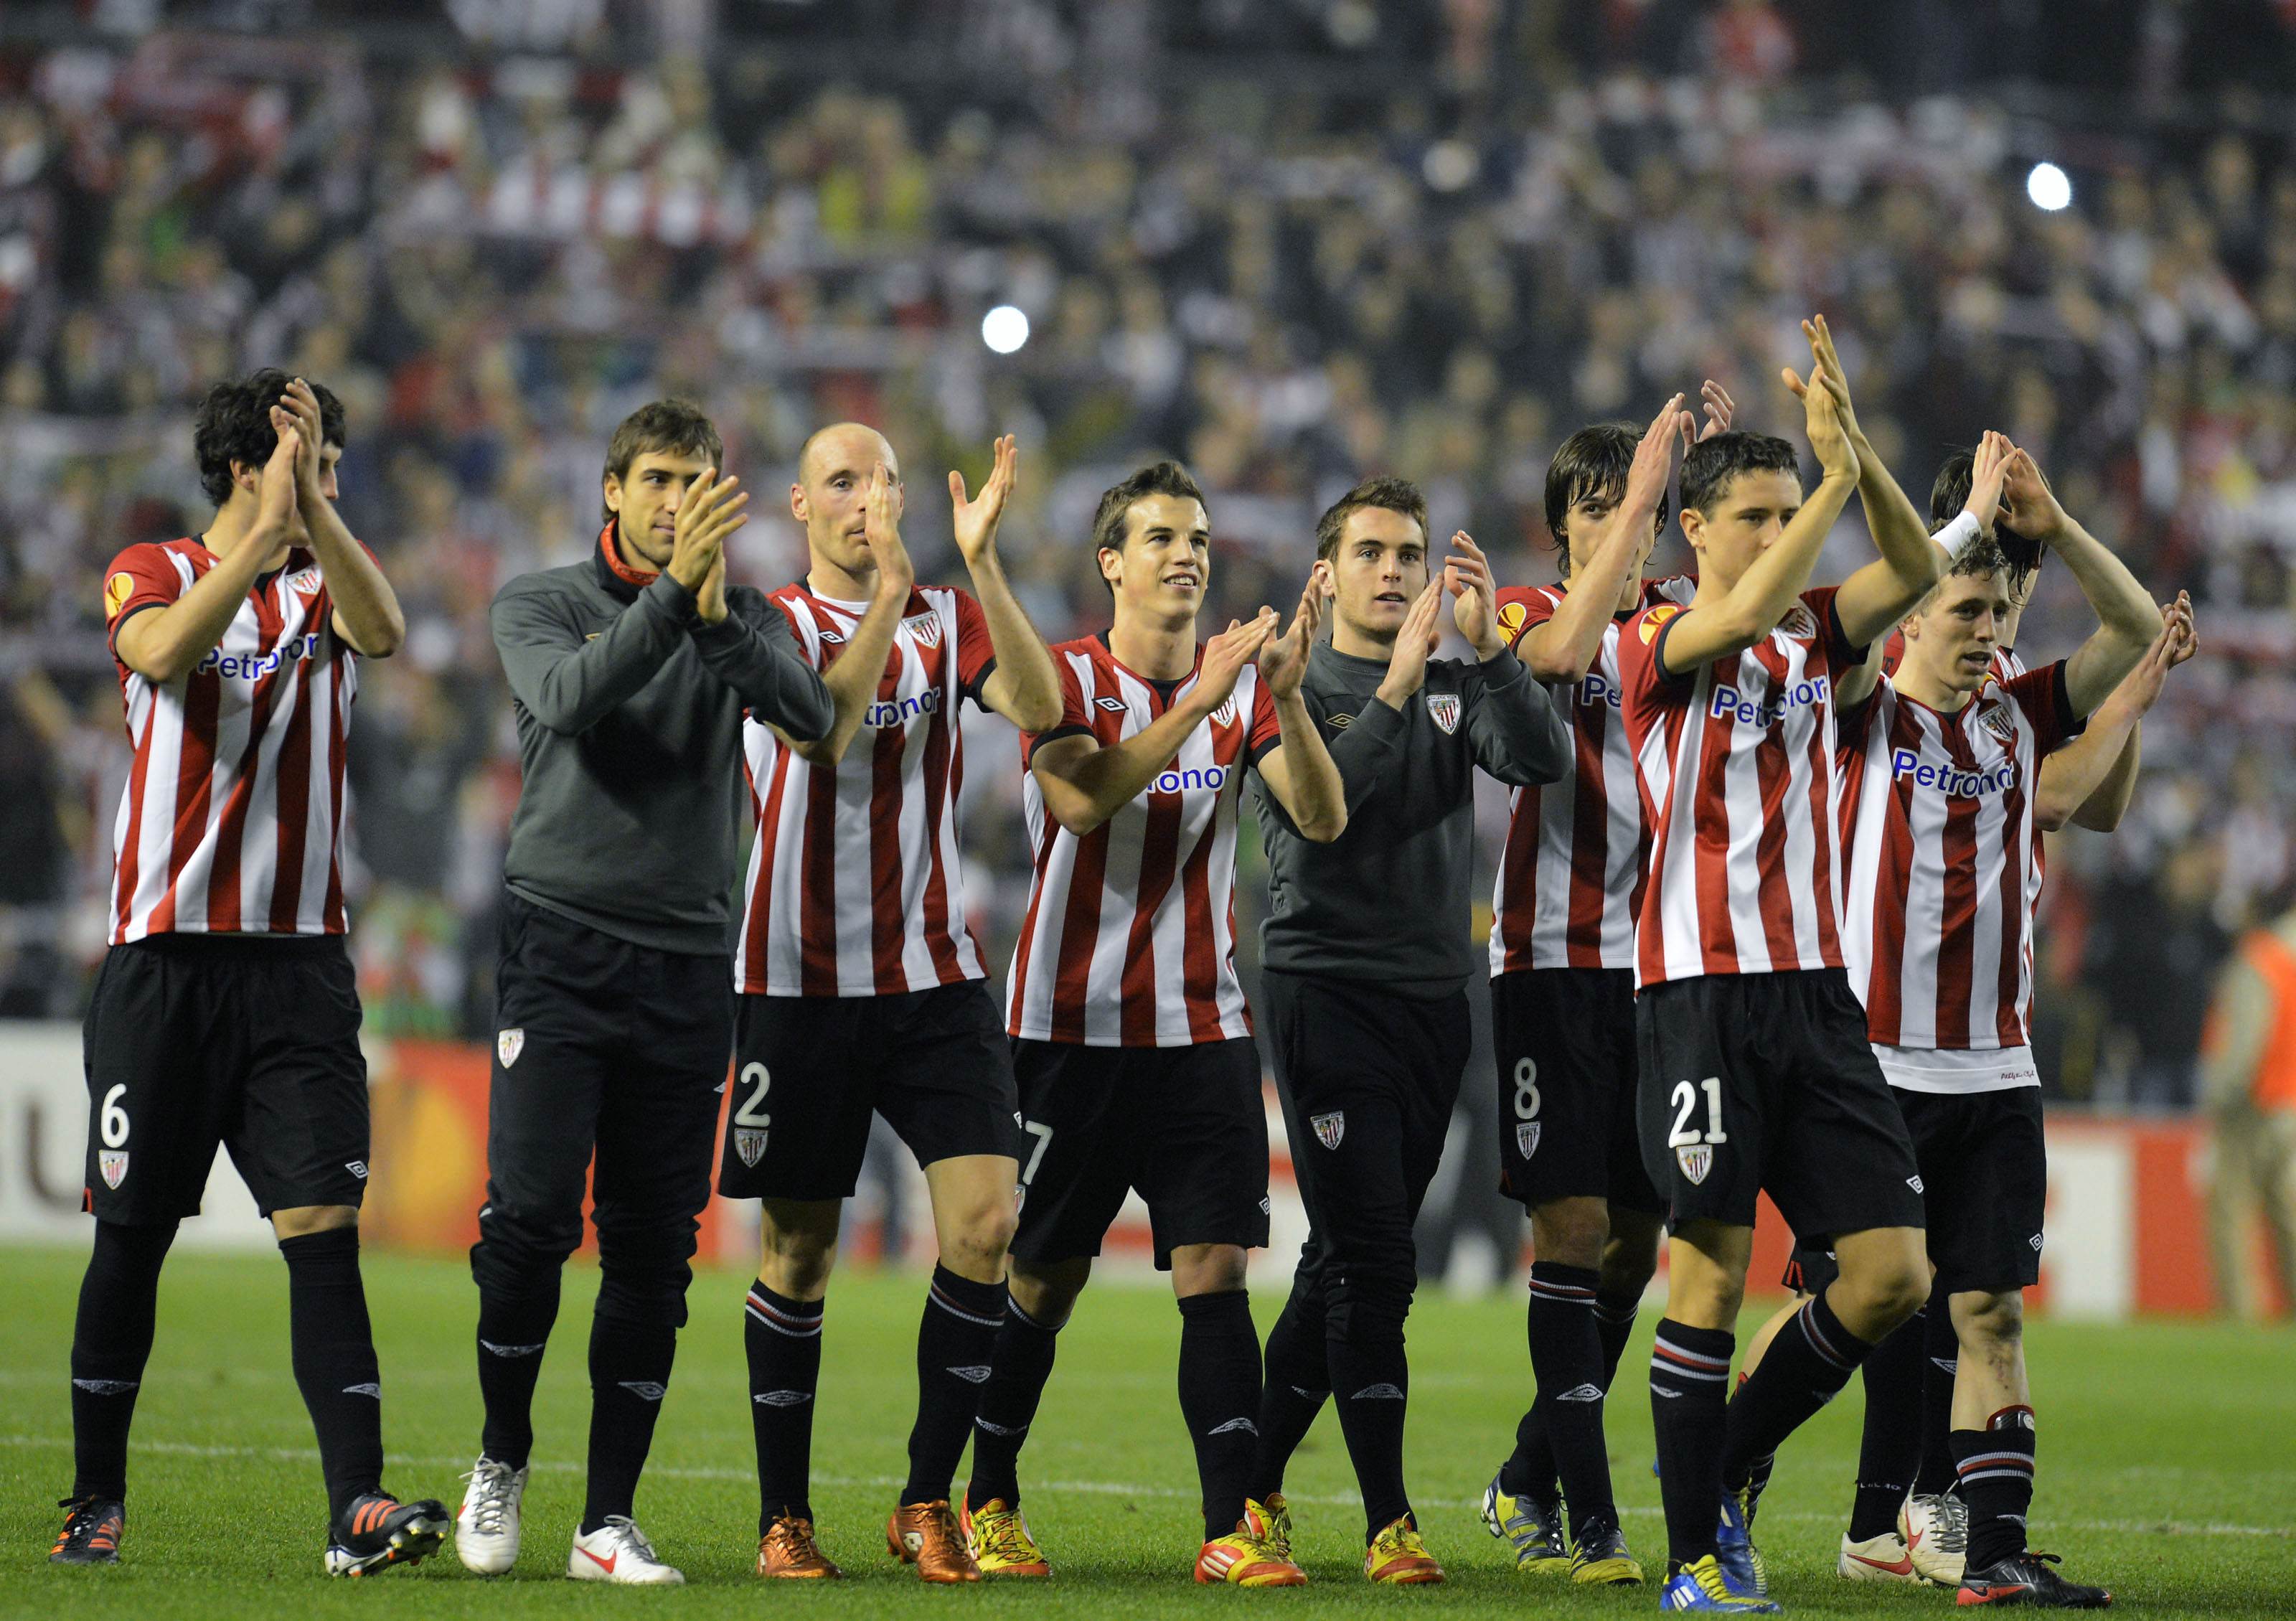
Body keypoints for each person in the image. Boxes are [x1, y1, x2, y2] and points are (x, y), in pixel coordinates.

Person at [55, 370, 446, 1576]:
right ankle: (94, 1495)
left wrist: (306, 524)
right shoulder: (154, 568)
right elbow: (163, 650)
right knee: (132, 1235)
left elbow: (386, 631)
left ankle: (356, 1504)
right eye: (317, 457)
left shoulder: (329, 583)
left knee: (323, 1229)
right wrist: (265, 532)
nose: (336, 479)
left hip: (297, 974)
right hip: (162, 967)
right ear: (249, 463)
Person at [460, 400, 832, 1585]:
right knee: (525, 1223)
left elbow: (813, 716)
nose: (679, 497)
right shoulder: (540, 598)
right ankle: (503, 1456)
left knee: (654, 1249)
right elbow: (572, 704)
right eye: (659, 476)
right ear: (614, 489)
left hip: (685, 959)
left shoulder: (743, 610)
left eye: (699, 478)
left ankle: (606, 1516)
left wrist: (712, 613)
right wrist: (680, 598)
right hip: (560, 942)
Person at [959, 461, 1346, 1588]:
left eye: (1201, 535)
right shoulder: (1060, 679)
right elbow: (1083, 801)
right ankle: (989, 1497)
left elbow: (1318, 818)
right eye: (1163, 535)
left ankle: (1231, 1527)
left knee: (1215, 1265)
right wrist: (1200, 697)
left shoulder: (1245, 687)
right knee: (1044, 1279)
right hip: (1063, 1031)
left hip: (1200, 1029)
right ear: (1111, 561)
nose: (1188, 552)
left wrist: (1286, 689)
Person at [1614, 317, 1945, 1613]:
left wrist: (1852, 454)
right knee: (1705, 1268)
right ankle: (1696, 1561)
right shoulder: (1658, 640)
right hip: (1695, 994)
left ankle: (1730, 1466)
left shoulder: (1816, 634)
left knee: (1891, 1273)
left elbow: (1912, 574)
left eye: (1782, 511)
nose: (1771, 530)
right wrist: (1835, 482)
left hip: (1814, 996)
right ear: (1696, 529)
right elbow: (1748, 600)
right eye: (1751, 511)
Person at [1826, 446, 2173, 1608]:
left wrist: (2063, 525)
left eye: (2010, 587)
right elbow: (2076, 792)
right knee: (1870, 1298)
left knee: (1975, 1304)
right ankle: (1786, 1476)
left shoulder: (2018, 701)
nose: (1998, 610)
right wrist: (1976, 525)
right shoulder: (1873, 690)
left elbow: (2094, 794)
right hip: (1878, 1053)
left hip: (1996, 1055)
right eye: (1977, 588)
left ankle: (1961, 1535)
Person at [723, 426, 1063, 1583]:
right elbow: (824, 730)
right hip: (796, 980)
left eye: (883, 482)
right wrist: (894, 599)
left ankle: (926, 1497)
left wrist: (983, 568)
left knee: (984, 1223)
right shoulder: (765, 620)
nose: (867, 501)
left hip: (931, 973)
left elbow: (1039, 701)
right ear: (800, 504)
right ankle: (785, 1514)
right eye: (841, 482)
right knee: (801, 1247)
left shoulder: (946, 618)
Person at [1244, 476, 1571, 1586]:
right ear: (1326, 570)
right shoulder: (1286, 681)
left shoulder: (1450, 681)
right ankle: (1390, 1522)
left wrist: (1489, 656)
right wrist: (1392, 688)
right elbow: (1328, 820)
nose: (1394, 569)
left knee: (1343, 1255)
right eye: (1372, 551)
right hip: (1325, 989)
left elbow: (1540, 758)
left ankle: (1247, 1482)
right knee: (1379, 1262)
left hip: (1437, 1002)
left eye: (1410, 552)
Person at [1480, 386, 1728, 1585]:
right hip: (1547, 961)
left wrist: (1710, 470)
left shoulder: (1685, 619)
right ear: (1563, 529)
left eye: (1631, 506)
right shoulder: (1528, 613)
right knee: (1572, 1228)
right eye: (1593, 509)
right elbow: (1565, 655)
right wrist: (1642, 491)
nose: (1620, 527)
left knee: (1636, 1245)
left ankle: (1528, 1467)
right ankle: (1592, 1519)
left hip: (1659, 974)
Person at [2203, 898, 2296, 1320]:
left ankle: (2242, 1320)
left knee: (2233, 1218)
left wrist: (2219, 1095)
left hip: (2255, 1110)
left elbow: (2244, 1046)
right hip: (2290, 1110)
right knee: (2289, 1220)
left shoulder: (2259, 960)